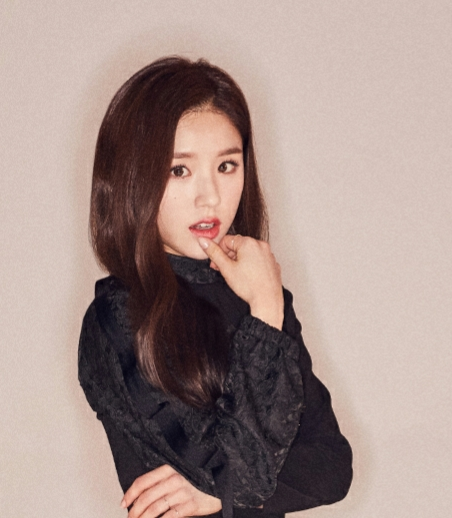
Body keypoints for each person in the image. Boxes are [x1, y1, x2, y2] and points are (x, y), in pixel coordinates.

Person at [78, 56, 352, 518]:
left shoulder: (260, 296)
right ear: (132, 177)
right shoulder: (118, 319)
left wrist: (213, 493)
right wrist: (265, 314)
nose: (210, 196)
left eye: (227, 165)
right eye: (179, 170)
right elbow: (242, 475)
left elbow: (334, 465)